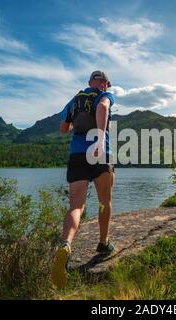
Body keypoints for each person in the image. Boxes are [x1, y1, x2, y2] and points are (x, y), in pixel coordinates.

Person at [51, 70, 116, 289]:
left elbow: (63, 129)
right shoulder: (103, 95)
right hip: (100, 153)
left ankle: (66, 245)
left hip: (77, 155)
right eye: (105, 83)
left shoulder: (74, 100)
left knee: (76, 206)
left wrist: (74, 124)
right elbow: (103, 107)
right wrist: (99, 137)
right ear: (104, 84)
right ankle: (103, 243)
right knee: (103, 201)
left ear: (89, 82)